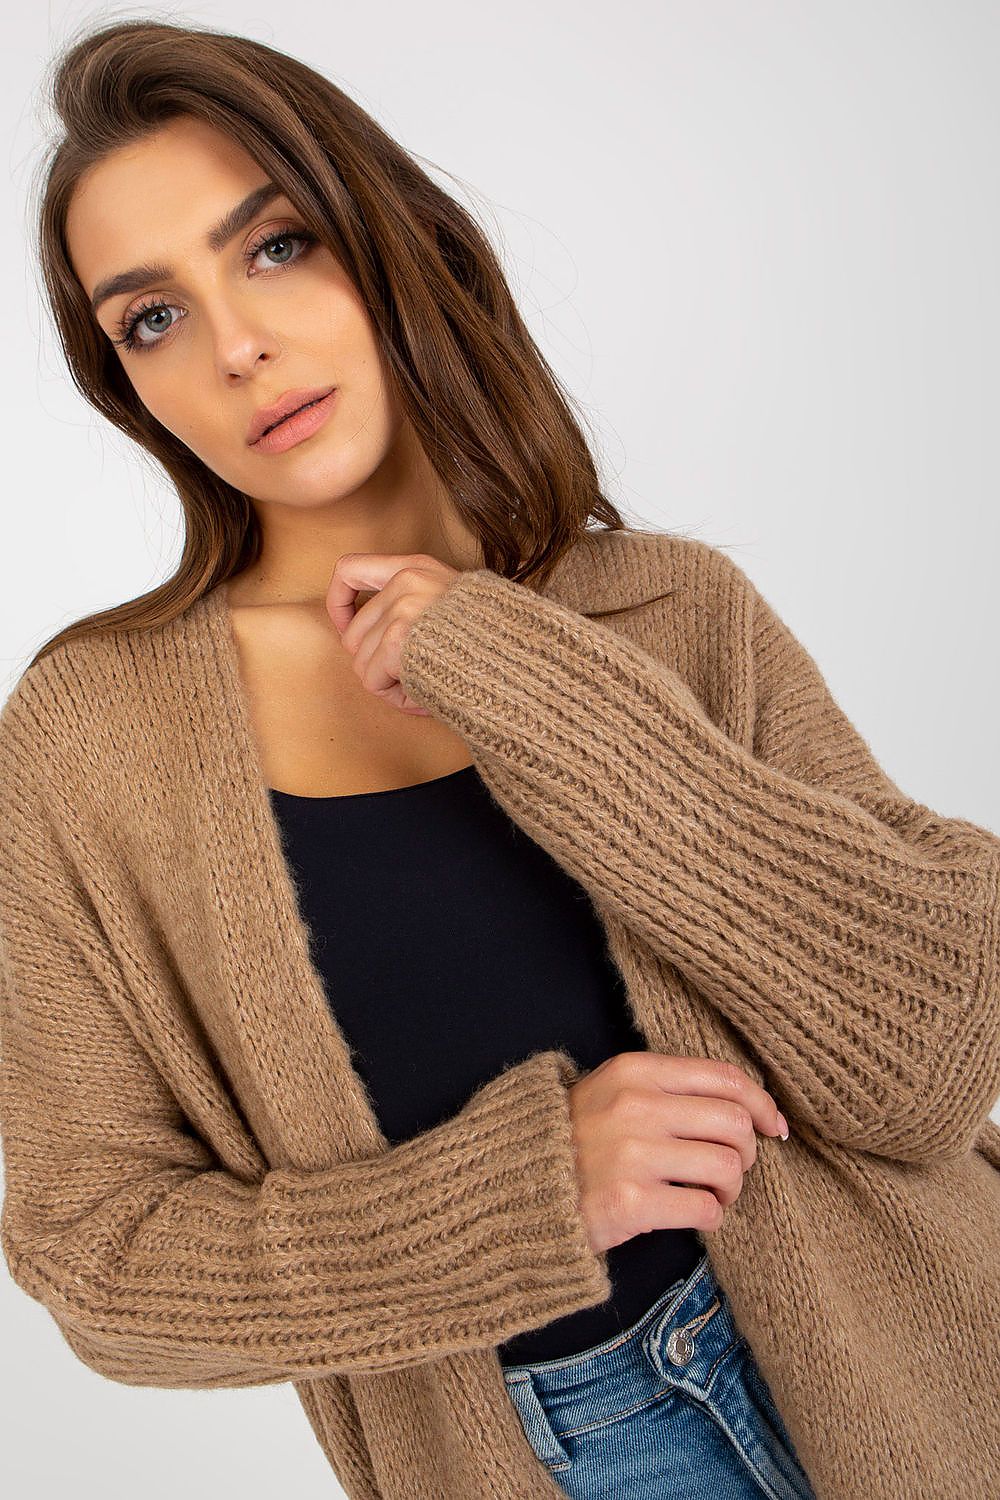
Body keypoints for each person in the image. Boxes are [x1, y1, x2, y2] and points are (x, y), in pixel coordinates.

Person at [2, 18, 999, 1500]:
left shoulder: (668, 606)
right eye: (152, 318)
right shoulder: (91, 739)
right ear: (126, 385)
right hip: (568, 1453)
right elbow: (103, 1261)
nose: (237, 346)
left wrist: (511, 672)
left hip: (933, 1374)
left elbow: (935, 1046)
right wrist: (521, 1200)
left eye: (274, 247)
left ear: (387, 238)